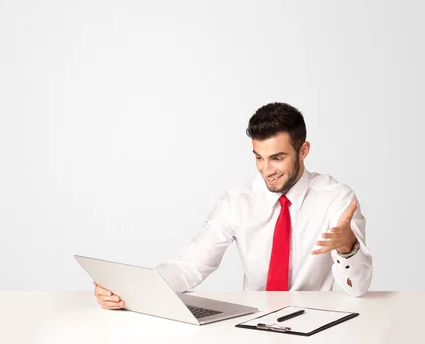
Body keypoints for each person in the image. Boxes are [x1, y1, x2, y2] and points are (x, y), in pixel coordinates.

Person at [94, 102, 373, 310]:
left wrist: (348, 248)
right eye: (258, 158)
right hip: (252, 324)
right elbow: (190, 265)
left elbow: (358, 289)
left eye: (277, 158)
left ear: (303, 150)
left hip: (316, 322)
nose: (267, 170)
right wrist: (132, 289)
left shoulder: (335, 200)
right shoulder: (237, 202)